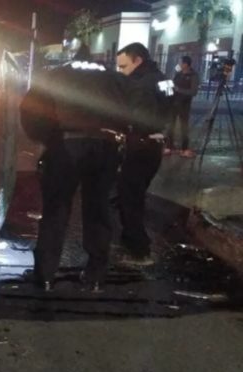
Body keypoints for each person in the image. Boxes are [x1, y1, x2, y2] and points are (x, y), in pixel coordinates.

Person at [20, 45, 129, 291]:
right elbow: (132, 112)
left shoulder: (55, 74)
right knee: (98, 209)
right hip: (106, 146)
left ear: (73, 58)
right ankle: (96, 276)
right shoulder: (114, 78)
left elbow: (30, 111)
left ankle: (45, 275)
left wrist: (47, 139)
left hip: (66, 145)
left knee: (56, 210)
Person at [115, 43, 172, 265]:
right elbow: (171, 106)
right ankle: (130, 243)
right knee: (134, 196)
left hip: (140, 146)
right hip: (155, 146)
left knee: (130, 198)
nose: (121, 72)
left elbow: (136, 119)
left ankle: (139, 251)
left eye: (124, 66)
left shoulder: (140, 85)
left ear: (137, 60)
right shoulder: (163, 78)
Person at [165, 56, 200, 157]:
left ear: (186, 64)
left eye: (180, 62)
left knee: (184, 127)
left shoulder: (193, 75)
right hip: (174, 103)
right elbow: (173, 85)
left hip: (184, 105)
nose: (179, 64)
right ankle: (169, 146)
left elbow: (193, 92)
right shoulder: (178, 74)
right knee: (170, 126)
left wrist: (178, 89)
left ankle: (184, 148)